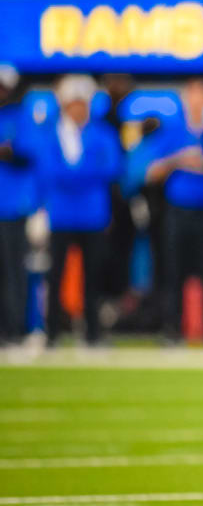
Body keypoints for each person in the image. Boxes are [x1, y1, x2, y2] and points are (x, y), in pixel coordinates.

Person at [39, 75, 122, 346]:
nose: (78, 109)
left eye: (82, 104)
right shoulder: (52, 132)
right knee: (56, 275)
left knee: (93, 277)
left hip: (93, 215)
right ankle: (52, 333)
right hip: (61, 214)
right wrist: (85, 174)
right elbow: (49, 170)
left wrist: (73, 175)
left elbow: (111, 168)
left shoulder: (102, 133)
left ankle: (93, 334)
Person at [141, 78, 203, 343]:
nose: (197, 100)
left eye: (202, 94)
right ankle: (172, 330)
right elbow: (151, 172)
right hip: (177, 210)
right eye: (193, 94)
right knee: (173, 271)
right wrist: (179, 160)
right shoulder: (172, 132)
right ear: (185, 98)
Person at [0, 64, 37, 345]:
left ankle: (16, 329)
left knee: (14, 270)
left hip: (12, 207)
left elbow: (26, 155)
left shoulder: (21, 117)